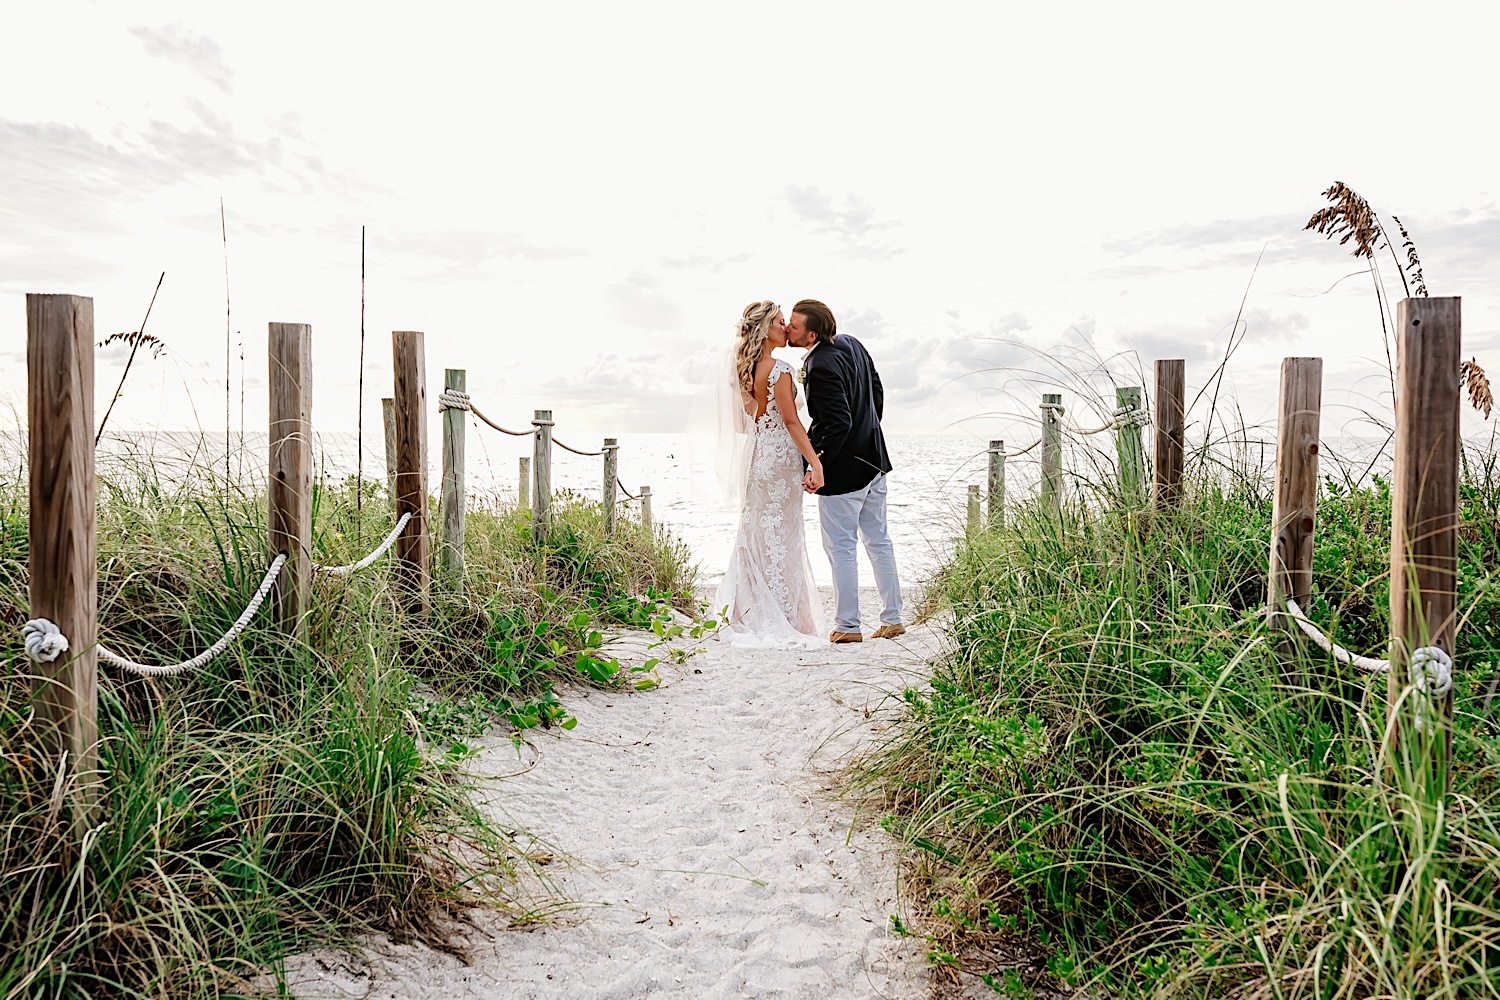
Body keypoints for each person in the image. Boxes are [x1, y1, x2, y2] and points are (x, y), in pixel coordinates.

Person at [786, 299, 904, 643]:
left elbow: (837, 423)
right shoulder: (852, 343)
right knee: (879, 540)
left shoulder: (819, 364)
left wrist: (816, 462)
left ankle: (848, 626)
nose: (789, 330)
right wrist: (869, 432)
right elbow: (876, 391)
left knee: (841, 547)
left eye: (794, 326)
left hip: (844, 472)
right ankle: (893, 617)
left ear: (811, 335)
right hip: (875, 459)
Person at [712, 301, 827, 648]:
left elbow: (747, 423)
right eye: (780, 322)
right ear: (765, 330)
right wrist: (816, 464)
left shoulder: (744, 369)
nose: (785, 328)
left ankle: (746, 613)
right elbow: (791, 422)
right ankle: (790, 618)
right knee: (785, 538)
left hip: (757, 459)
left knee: (757, 535)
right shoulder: (780, 369)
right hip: (779, 464)